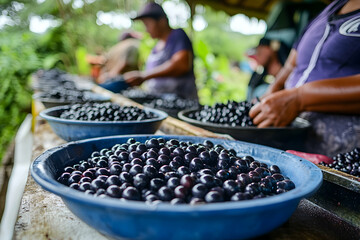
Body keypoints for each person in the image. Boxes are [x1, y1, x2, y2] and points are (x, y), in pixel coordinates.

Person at [249, 0, 360, 157]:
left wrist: (299, 98)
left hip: (341, 151)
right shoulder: (326, 13)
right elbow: (290, 66)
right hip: (292, 141)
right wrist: (271, 92)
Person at [123, 2, 198, 100]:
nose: (146, 30)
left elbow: (181, 64)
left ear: (162, 21)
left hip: (180, 102)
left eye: (147, 24)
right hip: (158, 101)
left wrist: (144, 76)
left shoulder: (178, 35)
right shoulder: (155, 48)